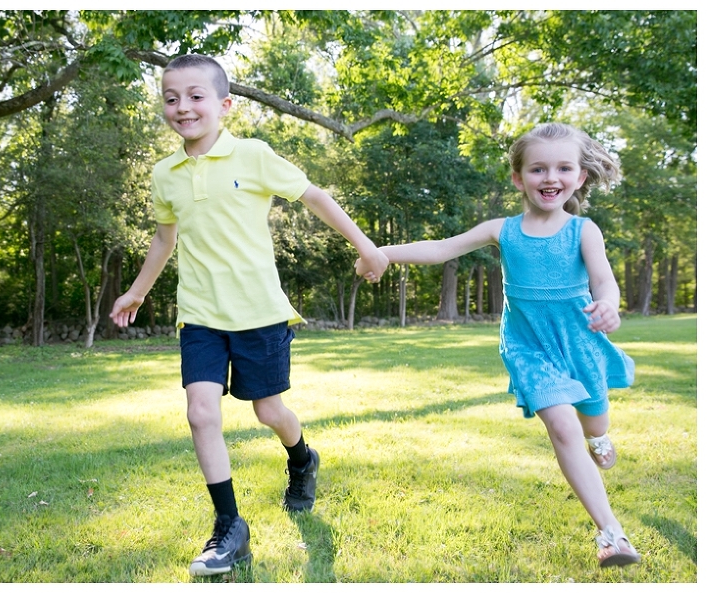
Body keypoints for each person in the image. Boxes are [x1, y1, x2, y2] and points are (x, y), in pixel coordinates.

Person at [110, 54, 389, 577]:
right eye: (171, 98)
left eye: (196, 96)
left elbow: (314, 196)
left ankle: (302, 459)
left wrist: (366, 244)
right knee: (200, 413)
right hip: (199, 314)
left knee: (268, 411)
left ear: (224, 104)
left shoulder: (253, 155)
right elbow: (164, 239)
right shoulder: (164, 174)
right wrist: (136, 292)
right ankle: (229, 527)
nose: (183, 107)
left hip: (259, 311)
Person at [358, 122, 640, 568]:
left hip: (579, 340)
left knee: (592, 422)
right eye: (538, 169)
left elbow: (604, 280)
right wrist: (384, 251)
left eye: (563, 168)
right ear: (518, 177)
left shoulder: (584, 230)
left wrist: (609, 305)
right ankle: (612, 535)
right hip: (527, 346)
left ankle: (601, 439)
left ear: (580, 177)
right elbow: (441, 248)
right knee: (563, 427)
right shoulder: (502, 229)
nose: (551, 178)